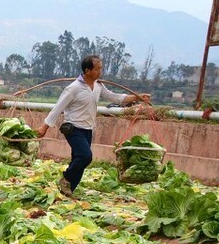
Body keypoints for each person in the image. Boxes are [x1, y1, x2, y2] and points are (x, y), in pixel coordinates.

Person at [36, 54, 151, 197]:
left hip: (88, 129)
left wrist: (137, 97)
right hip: (73, 128)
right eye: (97, 69)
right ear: (87, 71)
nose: (100, 72)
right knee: (85, 156)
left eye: (100, 69)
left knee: (77, 159)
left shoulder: (98, 86)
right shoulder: (74, 88)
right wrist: (45, 126)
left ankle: (68, 191)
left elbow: (115, 97)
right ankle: (66, 178)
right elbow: (58, 108)